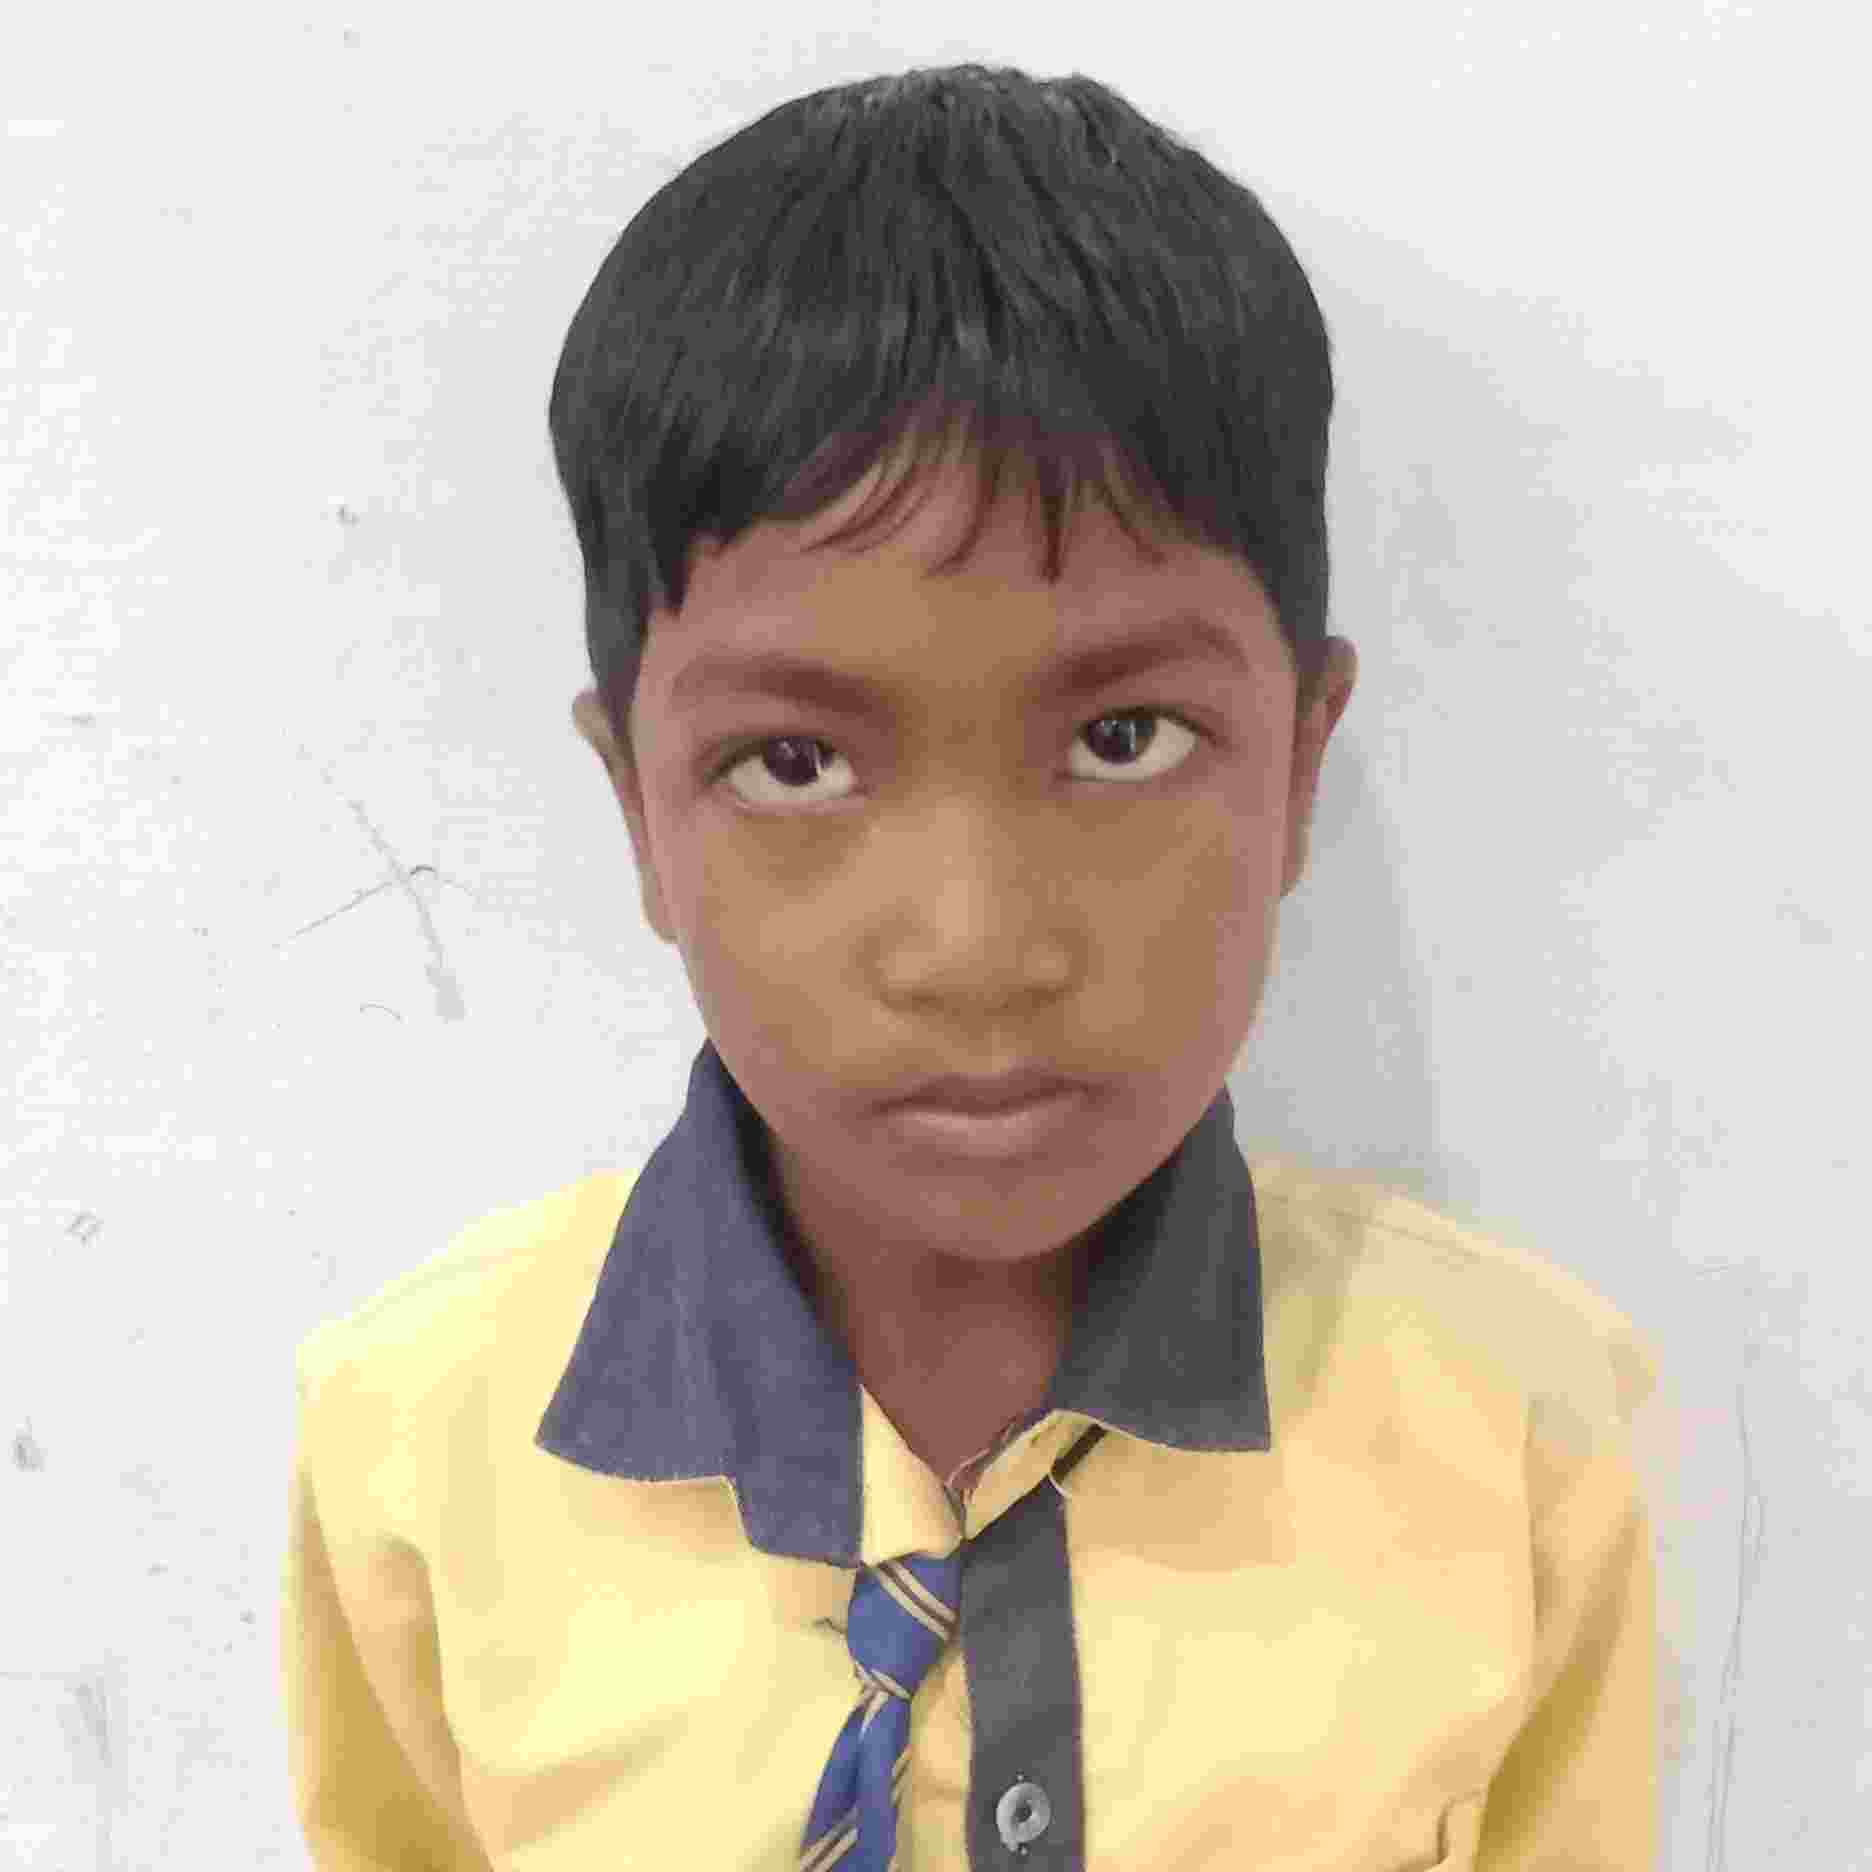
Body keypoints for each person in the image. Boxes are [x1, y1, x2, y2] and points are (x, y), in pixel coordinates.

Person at [282, 63, 1660, 1869]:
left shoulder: (1518, 1427)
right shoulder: (411, 1447)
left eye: (1125, 738)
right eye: (794, 762)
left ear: (1300, 767)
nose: (979, 947)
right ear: (636, 809)